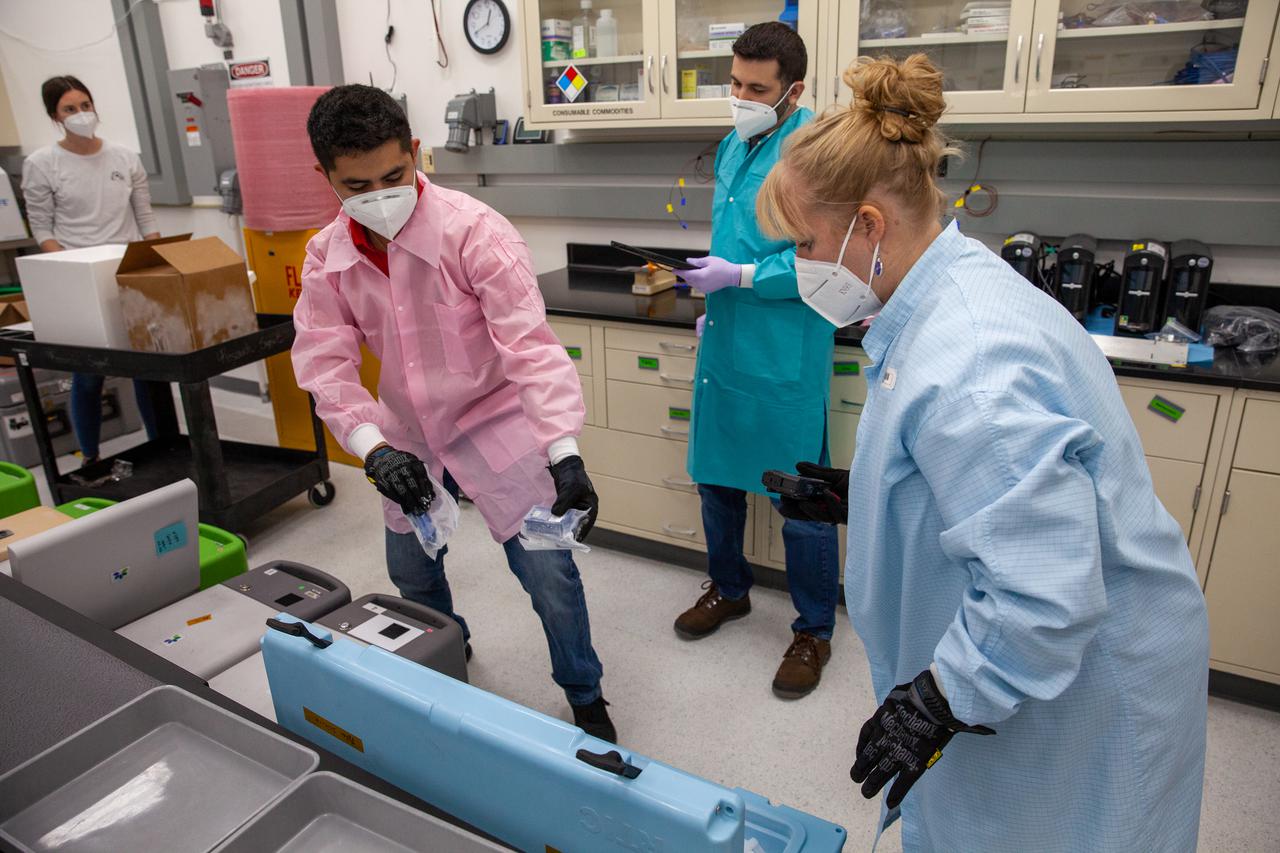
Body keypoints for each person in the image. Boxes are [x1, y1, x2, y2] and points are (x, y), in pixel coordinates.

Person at [759, 55, 1209, 851]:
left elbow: (1042, 594)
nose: (797, 263)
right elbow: (988, 482)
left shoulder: (971, 362)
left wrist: (942, 697)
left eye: (804, 241)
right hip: (1065, 643)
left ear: (869, 226)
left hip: (1087, 685)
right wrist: (874, 496)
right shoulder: (947, 289)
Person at [292, 85, 616, 742]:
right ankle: (445, 651)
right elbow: (325, 363)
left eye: (394, 175)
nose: (381, 195)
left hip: (495, 420)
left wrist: (564, 452)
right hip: (404, 433)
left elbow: (530, 348)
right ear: (324, 175)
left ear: (415, 151)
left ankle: (584, 692)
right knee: (411, 573)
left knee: (549, 572)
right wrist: (373, 447)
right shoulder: (327, 256)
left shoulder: (474, 232)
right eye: (357, 185)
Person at [672, 22, 841, 700]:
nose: (741, 98)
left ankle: (814, 630)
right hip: (728, 339)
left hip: (783, 348)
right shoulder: (733, 144)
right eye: (736, 84)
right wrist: (716, 296)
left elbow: (826, 260)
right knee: (716, 480)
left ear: (793, 91)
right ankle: (730, 588)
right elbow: (732, 237)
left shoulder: (818, 153)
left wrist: (739, 278)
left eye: (757, 89)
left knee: (799, 500)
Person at [22, 75, 162, 462]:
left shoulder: (124, 158)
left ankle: (162, 446)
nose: (81, 114)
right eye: (70, 109)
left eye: (85, 105)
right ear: (55, 116)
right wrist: (69, 271)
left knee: (147, 372)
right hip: (77, 280)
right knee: (87, 376)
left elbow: (146, 218)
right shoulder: (42, 164)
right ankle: (89, 456)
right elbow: (42, 229)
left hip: (126, 275)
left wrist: (154, 262)